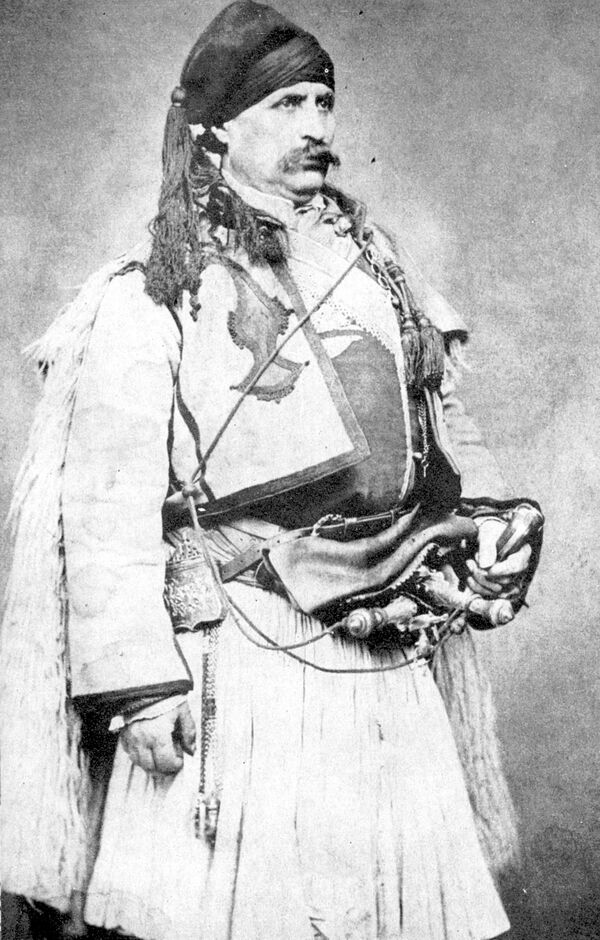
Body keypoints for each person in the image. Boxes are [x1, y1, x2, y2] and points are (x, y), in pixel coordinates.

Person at [1, 2, 543, 938]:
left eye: (322, 102)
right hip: (243, 654)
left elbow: (442, 422)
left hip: (384, 648)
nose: (315, 126)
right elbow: (101, 510)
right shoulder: (152, 292)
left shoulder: (381, 276)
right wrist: (141, 690)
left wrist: (491, 519)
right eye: (287, 104)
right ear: (214, 131)